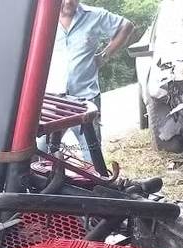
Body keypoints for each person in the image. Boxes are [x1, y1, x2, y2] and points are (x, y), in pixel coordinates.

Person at [45, 0, 135, 160]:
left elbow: (126, 26)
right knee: (40, 151)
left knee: (92, 154)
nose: (68, 2)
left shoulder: (94, 15)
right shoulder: (43, 17)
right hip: (51, 98)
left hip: (85, 98)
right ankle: (49, 182)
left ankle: (94, 183)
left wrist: (104, 55)